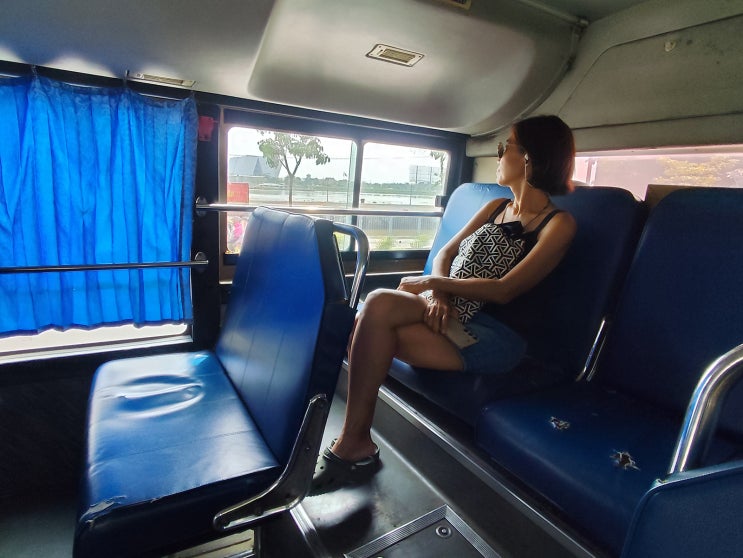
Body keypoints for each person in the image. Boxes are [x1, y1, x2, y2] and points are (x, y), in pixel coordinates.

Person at [311, 115, 577, 494]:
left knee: (375, 317)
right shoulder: (496, 207)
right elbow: (446, 253)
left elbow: (504, 290)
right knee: (375, 309)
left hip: (497, 334)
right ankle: (355, 439)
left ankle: (354, 440)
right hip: (451, 309)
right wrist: (439, 294)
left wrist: (432, 284)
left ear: (529, 158)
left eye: (505, 147)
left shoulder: (558, 225)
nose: (499, 155)